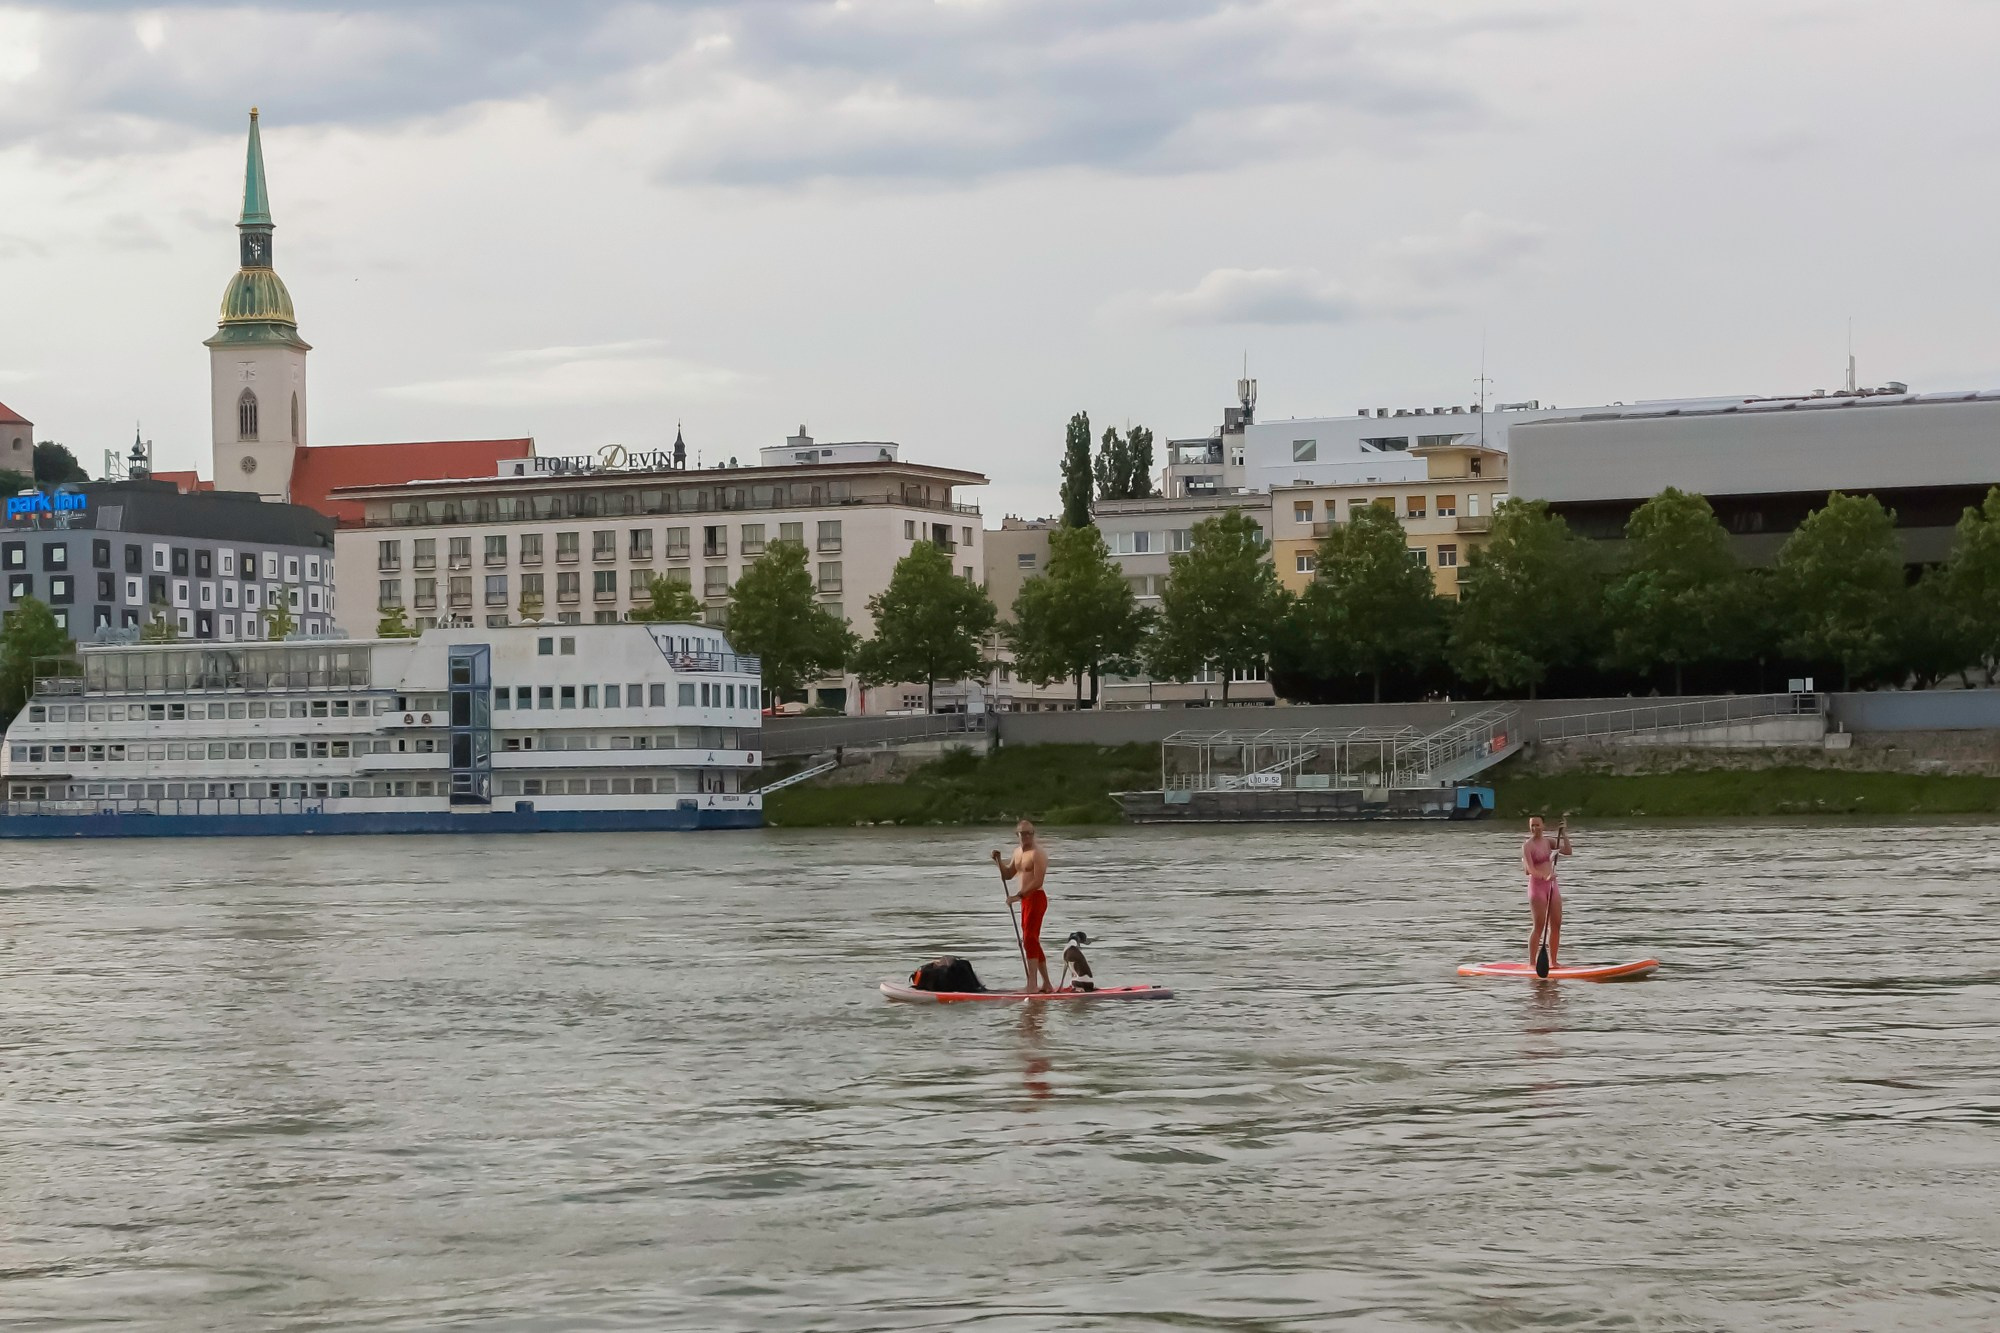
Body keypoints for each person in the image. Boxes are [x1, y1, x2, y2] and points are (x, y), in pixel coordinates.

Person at [993, 819, 1052, 993]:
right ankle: (1046, 984)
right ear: (1017, 834)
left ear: (1033, 834)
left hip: (1036, 898)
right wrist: (998, 861)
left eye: (1029, 833)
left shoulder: (1037, 853)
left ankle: (1032, 985)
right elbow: (1007, 875)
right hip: (1025, 900)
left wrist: (1017, 896)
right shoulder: (1017, 852)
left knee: (1028, 939)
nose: (1026, 836)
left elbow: (1037, 881)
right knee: (1032, 940)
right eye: (1023, 833)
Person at [1522, 813, 1573, 974]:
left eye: (1537, 825)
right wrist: (1545, 876)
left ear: (1543, 826)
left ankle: (1554, 961)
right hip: (1537, 888)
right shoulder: (1527, 846)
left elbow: (1568, 851)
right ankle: (1531, 962)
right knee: (1539, 925)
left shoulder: (1549, 842)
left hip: (1552, 886)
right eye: (1532, 825)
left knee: (1556, 924)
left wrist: (1563, 833)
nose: (1534, 828)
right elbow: (1529, 869)